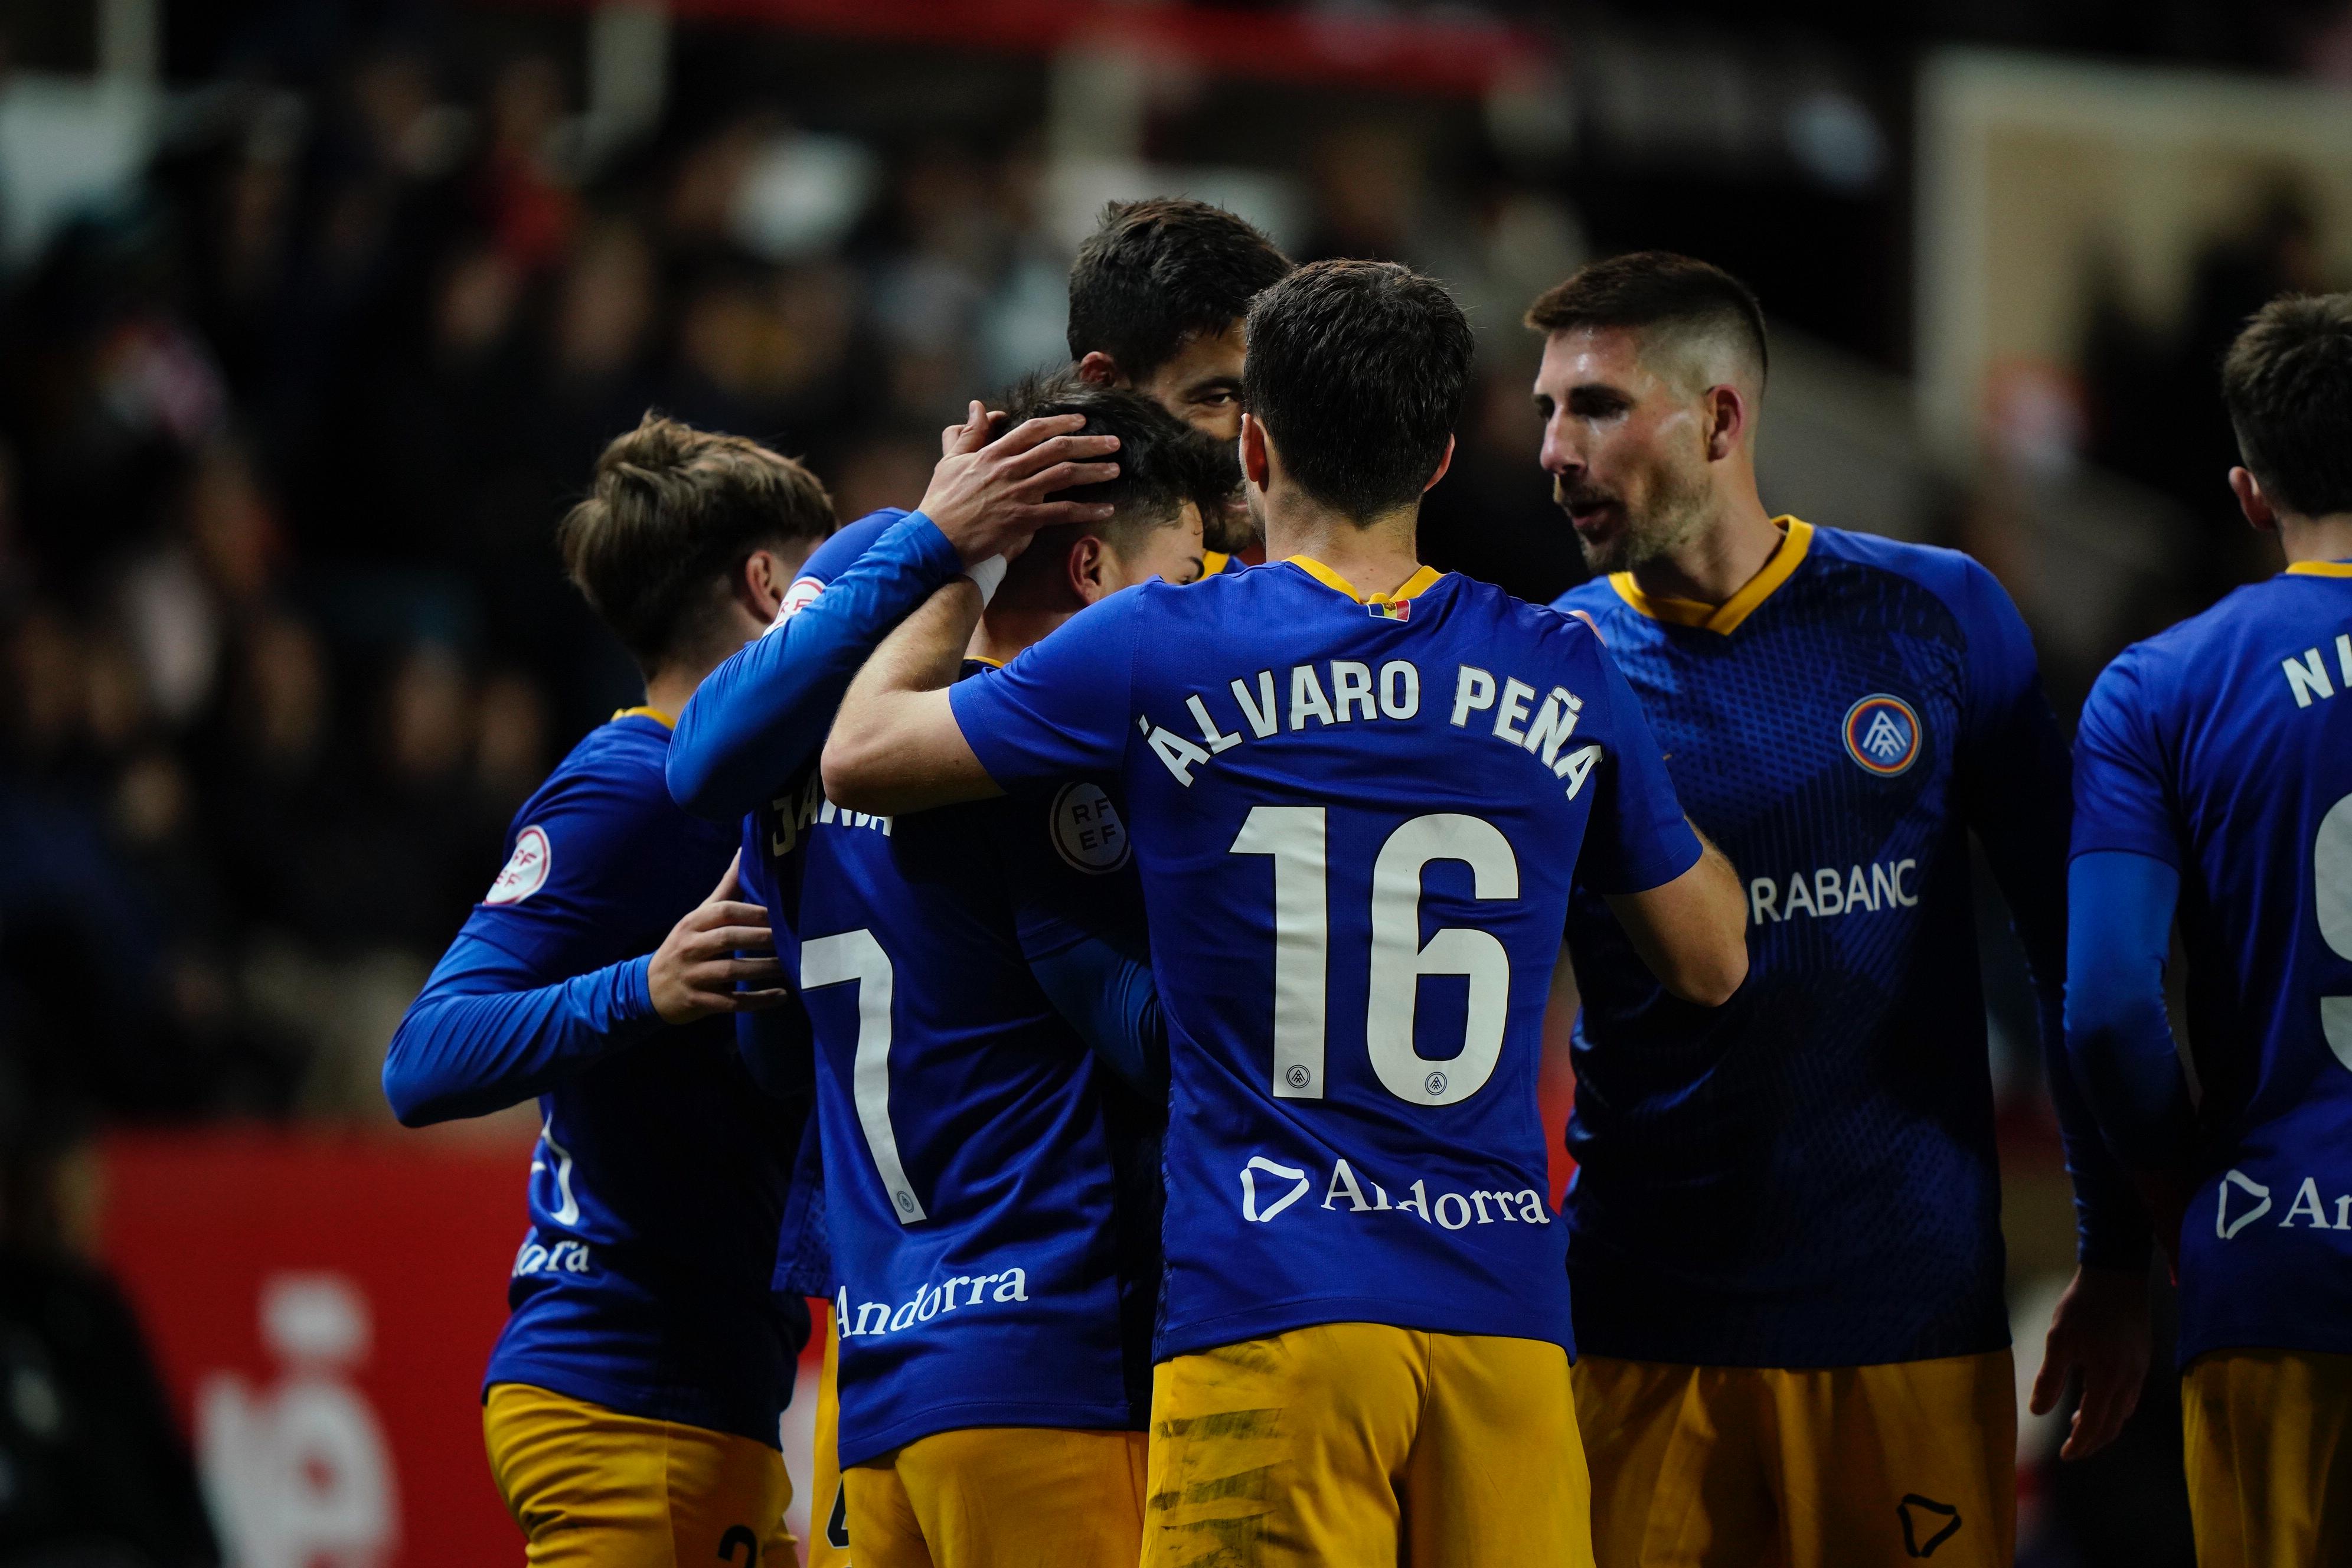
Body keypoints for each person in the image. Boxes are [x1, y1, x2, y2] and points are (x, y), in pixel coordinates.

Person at [821, 259, 1750, 1568]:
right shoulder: (1564, 663)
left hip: (1269, 1306)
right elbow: (1711, 959)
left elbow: (860, 751)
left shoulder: (1158, 639)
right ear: (1438, 457)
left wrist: (958, 553)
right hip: (1505, 1328)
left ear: (1251, 446)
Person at [1535, 253, 2147, 1568]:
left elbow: (2074, 947)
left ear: (1718, 417)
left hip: (1905, 1322)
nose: (1552, 450)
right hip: (1637, 1326)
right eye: (1547, 410)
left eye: (1594, 407)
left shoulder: (1938, 615)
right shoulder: (1547, 661)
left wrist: (2116, 1250)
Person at [380, 414, 835, 1564]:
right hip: (635, 1395)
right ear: (768, 584)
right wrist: (650, 983)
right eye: (826, 589)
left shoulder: (758, 790)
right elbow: (424, 1057)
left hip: (693, 1396)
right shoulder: (629, 792)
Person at [803, 379, 1219, 1568]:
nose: (1202, 614)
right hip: (1042, 1368)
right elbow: (1153, 1042)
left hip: (872, 1381)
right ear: (1092, 567)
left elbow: (766, 1049)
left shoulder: (794, 772)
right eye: (1186, 578)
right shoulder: (1044, 774)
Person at [2066, 292, 2352, 1567]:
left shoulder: (2160, 685)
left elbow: (2112, 1002)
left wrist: (2186, 1191)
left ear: (2248, 489)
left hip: (2274, 1256)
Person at [1068, 196, 1291, 570]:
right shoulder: (985, 567)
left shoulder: (1266, 604)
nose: (1262, 441)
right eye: (1219, 398)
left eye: (1274, 397)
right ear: (1104, 385)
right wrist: (938, 543)